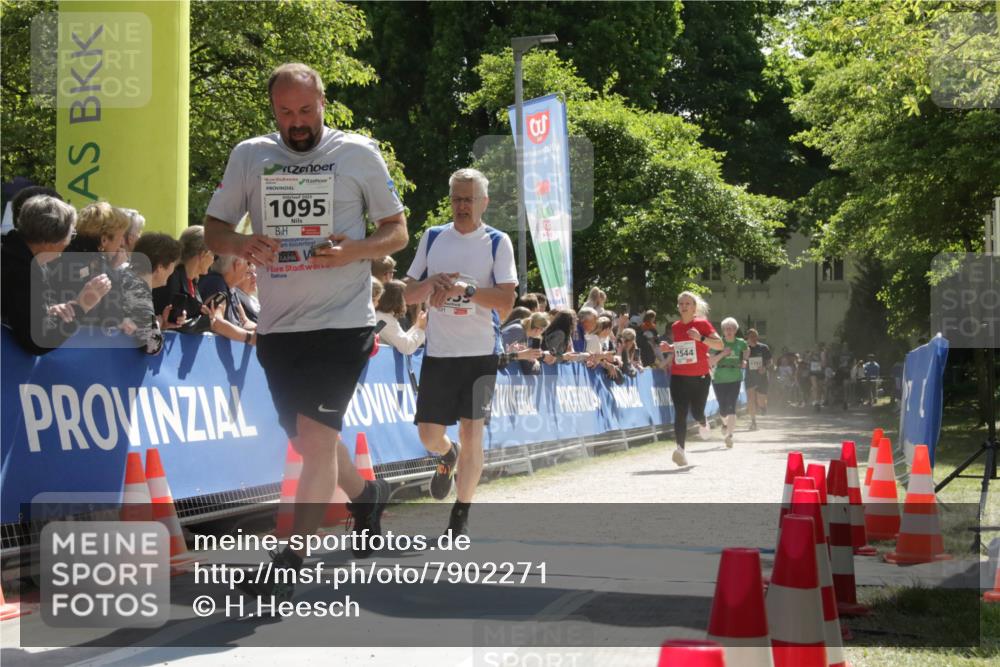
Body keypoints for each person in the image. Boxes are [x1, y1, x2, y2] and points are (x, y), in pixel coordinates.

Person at [203, 62, 408, 599]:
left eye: (306, 110)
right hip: (277, 328)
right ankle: (366, 495)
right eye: (286, 111)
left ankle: (291, 557)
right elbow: (213, 229)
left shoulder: (358, 153)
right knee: (311, 439)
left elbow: (397, 232)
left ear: (323, 102)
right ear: (273, 109)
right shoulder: (250, 154)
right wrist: (243, 244)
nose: (297, 122)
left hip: (343, 325)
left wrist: (355, 249)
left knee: (315, 443)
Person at [404, 167, 516, 536]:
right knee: (428, 436)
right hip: (439, 353)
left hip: (481, 355)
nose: (462, 206)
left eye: (469, 199)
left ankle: (461, 511)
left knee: (473, 433)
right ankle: (446, 455)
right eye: (456, 199)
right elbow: (406, 293)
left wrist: (465, 290)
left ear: (483, 202)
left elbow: (505, 302)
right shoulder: (434, 237)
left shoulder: (498, 242)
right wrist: (430, 285)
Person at [1, 195, 111, 354]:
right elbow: (38, 341)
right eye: (71, 234)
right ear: (50, 239)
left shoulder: (17, 256)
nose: (70, 242)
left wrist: (48, 309)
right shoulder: (21, 270)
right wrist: (82, 305)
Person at [659, 291, 724, 466]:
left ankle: (703, 422)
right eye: (681, 303)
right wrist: (670, 348)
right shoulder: (676, 326)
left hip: (700, 376)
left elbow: (719, 344)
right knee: (680, 412)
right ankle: (680, 450)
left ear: (694, 307)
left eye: (687, 303)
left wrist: (701, 337)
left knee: (696, 413)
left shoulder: (702, 323)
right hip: (679, 375)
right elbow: (683, 348)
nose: (684, 306)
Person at [46, 201, 130, 331]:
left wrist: (110, 268)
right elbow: (112, 317)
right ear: (104, 240)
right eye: (121, 236)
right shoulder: (89, 265)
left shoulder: (66, 254)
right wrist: (112, 273)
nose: (123, 243)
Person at [119, 232, 183, 354]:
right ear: (160, 267)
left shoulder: (124, 277)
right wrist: (157, 324)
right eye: (172, 263)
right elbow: (152, 345)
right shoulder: (138, 289)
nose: (173, 268)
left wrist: (161, 324)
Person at [152, 225, 216, 334]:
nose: (214, 260)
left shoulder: (192, 281)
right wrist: (207, 321)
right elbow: (173, 323)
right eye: (214, 254)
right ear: (203, 254)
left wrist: (205, 316)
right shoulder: (171, 278)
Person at [197, 254, 260, 345]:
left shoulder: (230, 288)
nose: (248, 267)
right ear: (237, 264)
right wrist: (249, 338)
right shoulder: (216, 283)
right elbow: (216, 323)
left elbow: (245, 322)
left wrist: (266, 331)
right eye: (248, 263)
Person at [710, 317, 748, 448]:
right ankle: (725, 424)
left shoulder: (741, 342)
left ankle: (730, 436)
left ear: (736, 330)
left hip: (735, 377)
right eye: (726, 329)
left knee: (731, 405)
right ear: (723, 331)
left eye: (731, 328)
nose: (729, 331)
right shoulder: (718, 343)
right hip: (719, 378)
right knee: (723, 408)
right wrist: (722, 354)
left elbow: (746, 350)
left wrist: (744, 360)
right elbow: (711, 362)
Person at [376, 279, 426, 355]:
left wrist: (417, 325)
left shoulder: (383, 316)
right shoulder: (386, 320)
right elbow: (407, 348)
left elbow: (403, 339)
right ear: (399, 300)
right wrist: (421, 328)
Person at [745, 329, 772, 429]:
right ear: (747, 337)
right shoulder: (744, 348)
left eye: (755, 336)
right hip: (750, 377)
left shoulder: (763, 348)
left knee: (761, 400)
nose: (754, 338)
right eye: (751, 336)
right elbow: (741, 360)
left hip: (762, 376)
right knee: (750, 399)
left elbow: (770, 361)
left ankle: (763, 407)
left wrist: (765, 367)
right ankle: (753, 422)